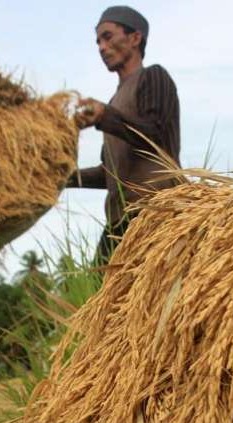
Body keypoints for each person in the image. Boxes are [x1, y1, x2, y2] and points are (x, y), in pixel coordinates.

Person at [69, 5, 181, 263]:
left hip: (156, 208)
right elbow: (109, 173)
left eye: (107, 37)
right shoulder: (114, 101)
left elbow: (156, 136)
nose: (101, 47)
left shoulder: (154, 77)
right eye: (97, 41)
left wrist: (103, 116)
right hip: (118, 220)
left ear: (134, 38)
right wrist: (62, 179)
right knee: (96, 295)